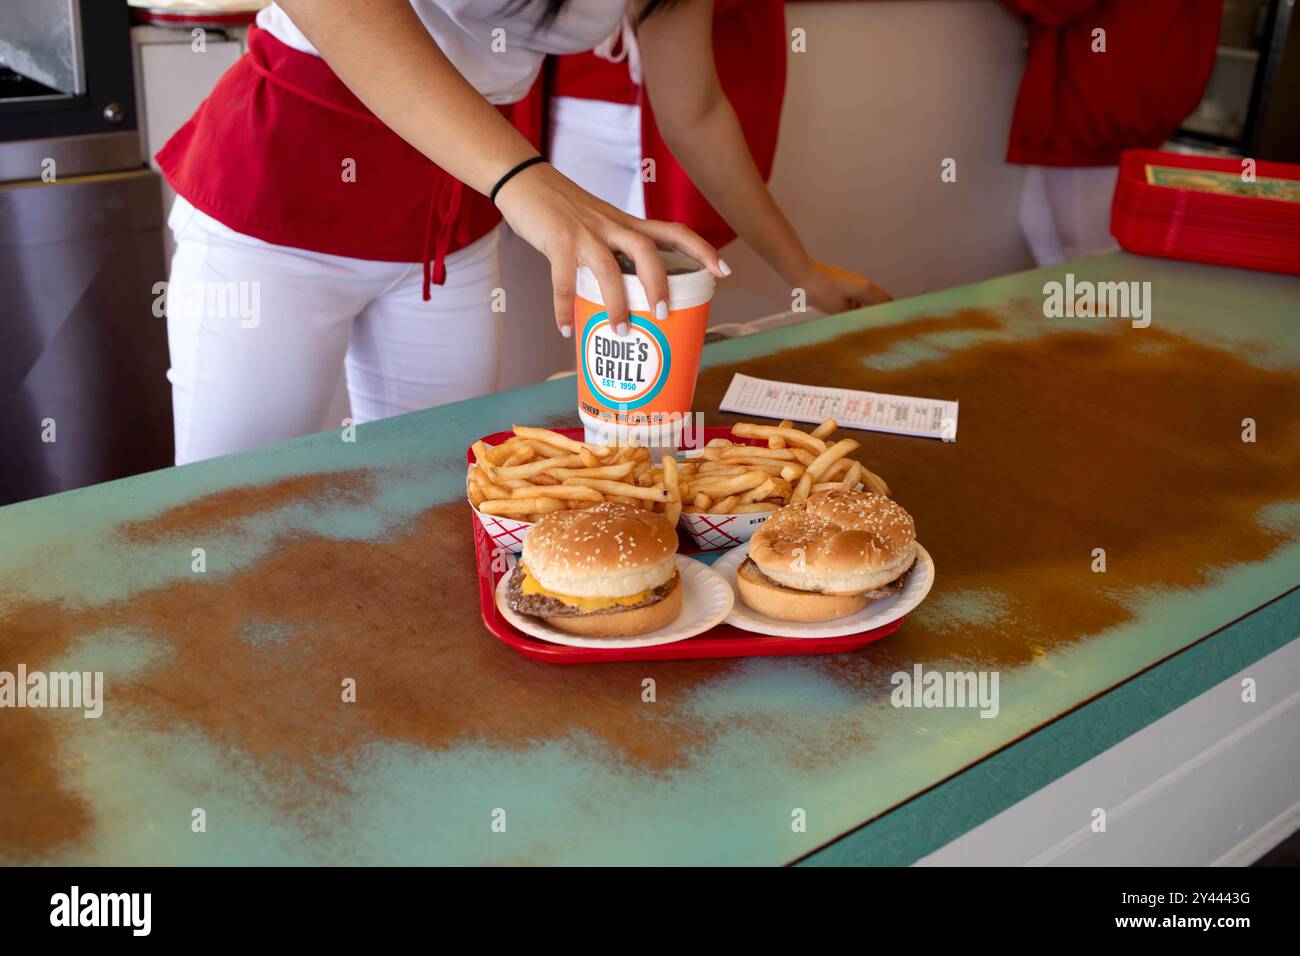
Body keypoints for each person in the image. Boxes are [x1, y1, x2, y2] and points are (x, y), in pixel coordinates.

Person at [158, 0, 888, 466]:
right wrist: (526, 182)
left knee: (432, 489)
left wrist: (806, 273)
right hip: (284, 190)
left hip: (450, 223)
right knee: (229, 503)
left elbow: (693, 109)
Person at [1003, 0, 1222, 265]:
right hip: (1105, 96)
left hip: (1098, 103)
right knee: (1045, 233)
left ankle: (1083, 304)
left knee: (1086, 256)